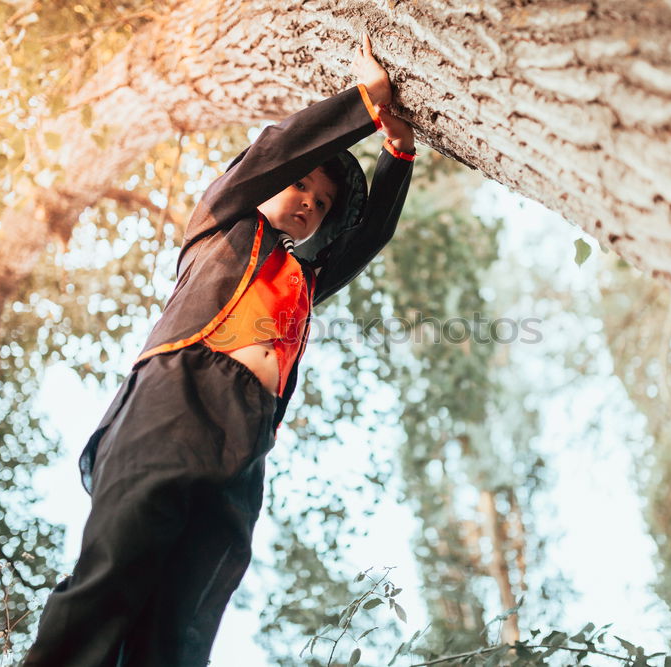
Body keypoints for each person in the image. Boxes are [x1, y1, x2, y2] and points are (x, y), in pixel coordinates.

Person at [23, 33, 416, 666]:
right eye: (302, 188)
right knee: (115, 570)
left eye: (321, 205)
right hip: (176, 395)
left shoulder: (303, 282)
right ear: (267, 187)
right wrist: (362, 102)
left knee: (184, 622)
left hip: (249, 433)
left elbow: (364, 240)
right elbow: (276, 150)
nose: (310, 204)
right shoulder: (222, 221)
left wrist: (396, 150)